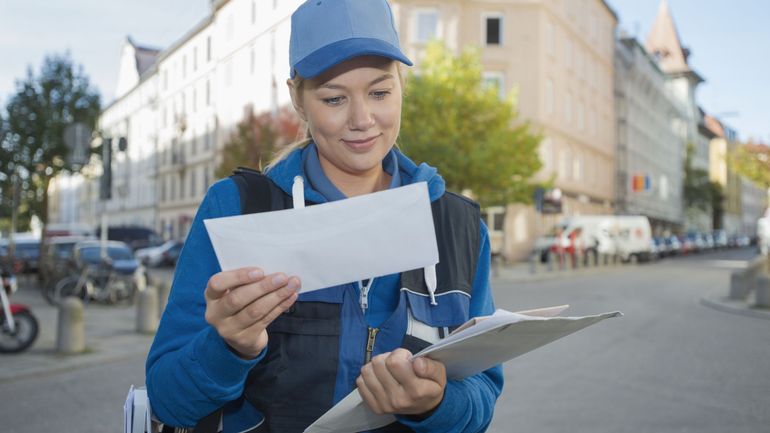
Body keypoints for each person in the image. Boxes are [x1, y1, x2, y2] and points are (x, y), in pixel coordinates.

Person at [145, 1, 503, 432]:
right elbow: (169, 402)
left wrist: (437, 403)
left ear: (402, 85)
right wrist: (230, 347)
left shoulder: (458, 225)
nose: (362, 120)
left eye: (380, 92)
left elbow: (482, 397)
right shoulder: (236, 209)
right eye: (334, 98)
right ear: (298, 99)